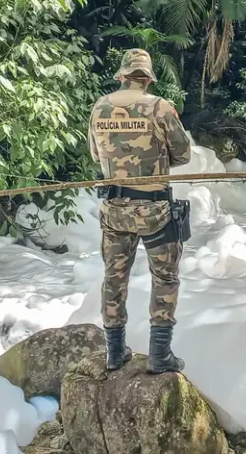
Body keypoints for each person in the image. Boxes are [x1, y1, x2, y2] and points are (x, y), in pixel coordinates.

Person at [88, 48, 191, 374]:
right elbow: (183, 154)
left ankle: (114, 352)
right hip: (155, 211)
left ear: (121, 75)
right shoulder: (161, 108)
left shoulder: (100, 108)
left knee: (113, 279)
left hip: (115, 210)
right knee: (165, 278)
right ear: (147, 79)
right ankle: (160, 354)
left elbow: (95, 155)